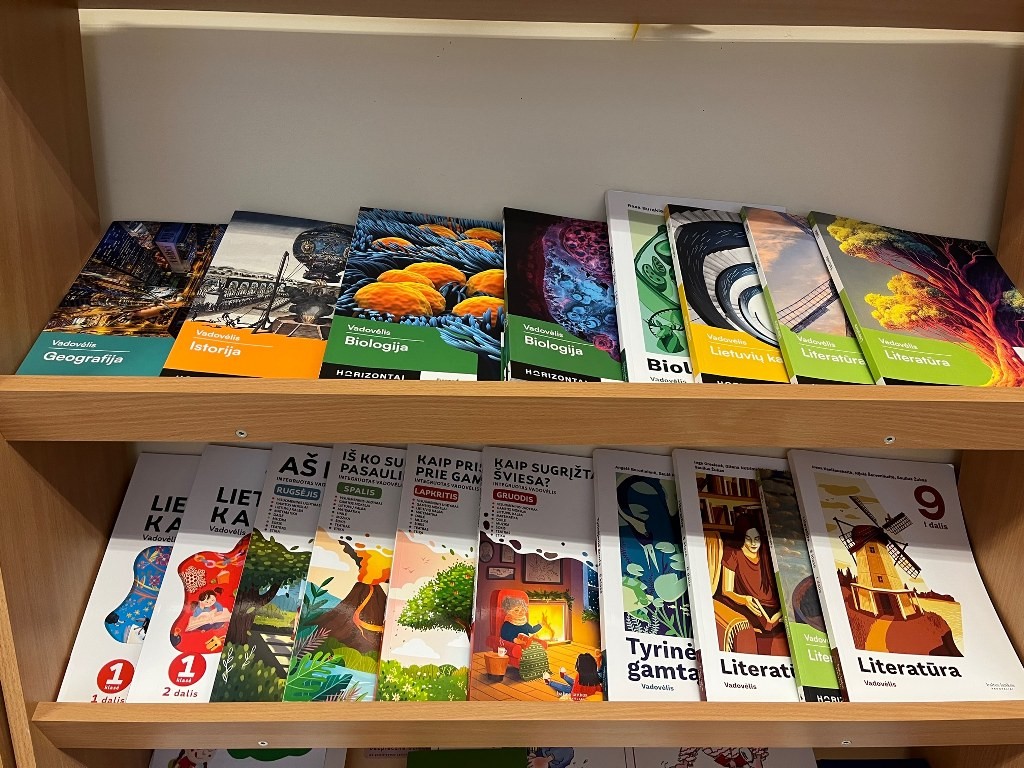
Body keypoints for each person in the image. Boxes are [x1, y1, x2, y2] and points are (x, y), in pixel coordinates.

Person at [719, 512, 786, 655]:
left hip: (773, 605)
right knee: (766, 630)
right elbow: (726, 590)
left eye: (757, 539)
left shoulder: (766, 553)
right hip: (748, 604)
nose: (754, 543)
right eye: (749, 539)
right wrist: (744, 600)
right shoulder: (732, 553)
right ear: (741, 538)